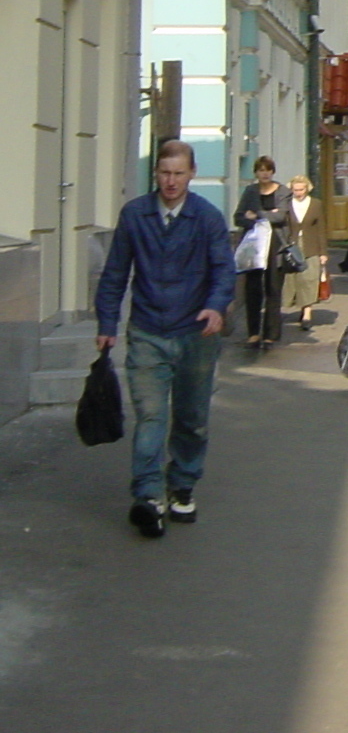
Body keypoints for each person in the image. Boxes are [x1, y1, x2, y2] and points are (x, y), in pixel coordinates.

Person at [95, 140, 233, 536]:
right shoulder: (135, 214)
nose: (170, 181)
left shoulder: (206, 218)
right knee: (152, 416)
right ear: (154, 174)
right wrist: (107, 324)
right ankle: (149, 495)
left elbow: (223, 270)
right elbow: (115, 272)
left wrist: (215, 306)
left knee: (192, 418)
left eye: (178, 173)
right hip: (148, 330)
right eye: (164, 173)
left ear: (192, 174)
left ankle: (183, 485)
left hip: (196, 333)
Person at [232, 156, 287, 349]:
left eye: (268, 170)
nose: (264, 173)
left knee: (273, 288)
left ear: (273, 172)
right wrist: (254, 219)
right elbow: (238, 217)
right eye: (260, 170)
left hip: (275, 245)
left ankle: (271, 334)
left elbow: (281, 216)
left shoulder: (282, 191)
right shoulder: (250, 191)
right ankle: (253, 333)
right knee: (252, 289)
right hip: (254, 245)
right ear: (255, 172)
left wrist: (258, 215)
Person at [281, 174, 328, 334]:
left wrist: (323, 252)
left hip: (311, 246)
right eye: (295, 190)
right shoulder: (286, 204)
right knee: (293, 279)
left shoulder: (316, 204)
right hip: (292, 247)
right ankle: (297, 305)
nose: (298, 193)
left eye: (301, 190)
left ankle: (307, 313)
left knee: (309, 279)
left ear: (307, 189)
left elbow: (321, 228)